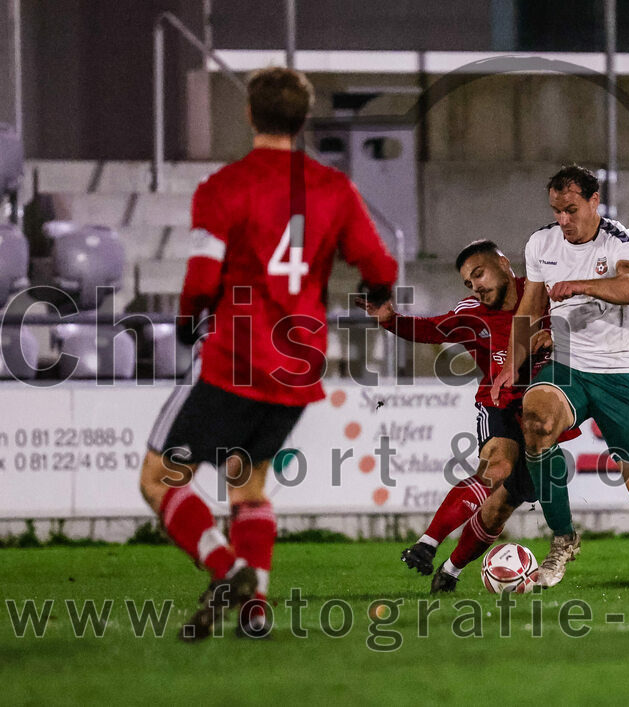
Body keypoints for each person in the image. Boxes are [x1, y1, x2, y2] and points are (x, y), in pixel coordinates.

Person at [140, 67, 397, 641]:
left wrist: (186, 323)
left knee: (159, 479)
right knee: (248, 484)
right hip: (298, 365)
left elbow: (203, 275)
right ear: (304, 122)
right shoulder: (334, 188)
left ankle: (224, 567)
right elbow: (380, 268)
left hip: (236, 357)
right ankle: (254, 606)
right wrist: (377, 294)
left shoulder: (224, 187)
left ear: (251, 116)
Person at [491, 164, 629, 591]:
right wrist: (510, 365)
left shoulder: (620, 241)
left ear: (594, 202)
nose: (563, 221)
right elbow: (530, 307)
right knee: (535, 421)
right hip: (566, 367)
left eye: (571, 210)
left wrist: (581, 285)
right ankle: (564, 537)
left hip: (619, 377)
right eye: (556, 211)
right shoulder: (541, 242)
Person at [357, 239, 572, 580]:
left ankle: (451, 569)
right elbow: (433, 329)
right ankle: (427, 543)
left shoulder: (545, 295)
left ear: (503, 264)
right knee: (497, 468)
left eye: (479, 274)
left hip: (543, 415)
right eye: (468, 283)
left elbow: (587, 329)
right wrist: (390, 320)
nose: (476, 287)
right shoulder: (472, 313)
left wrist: (559, 338)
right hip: (499, 402)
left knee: (499, 507)